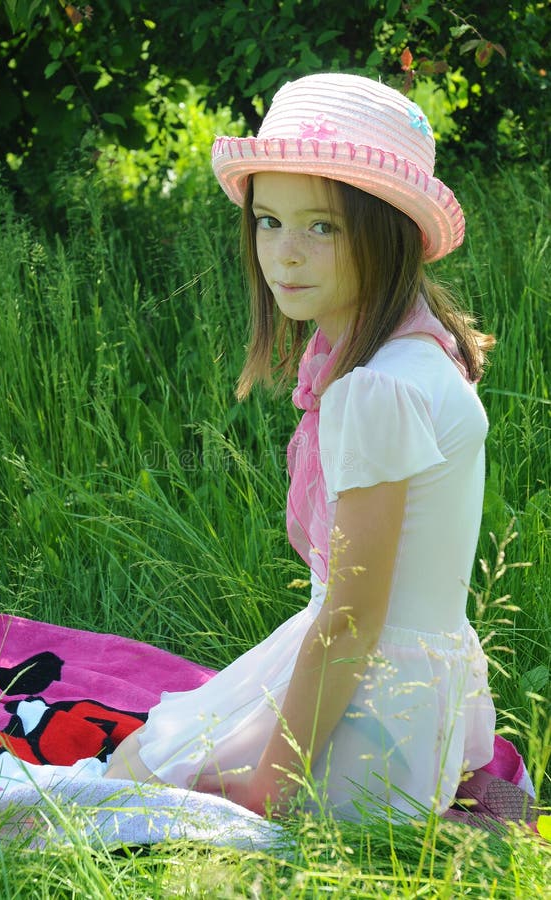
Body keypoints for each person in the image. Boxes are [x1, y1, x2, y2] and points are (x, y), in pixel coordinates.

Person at [106, 73, 498, 821]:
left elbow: (351, 618)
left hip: (376, 706)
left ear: (387, 233)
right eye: (269, 221)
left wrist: (270, 789)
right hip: (422, 695)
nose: (283, 255)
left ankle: (418, 824)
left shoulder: (374, 391)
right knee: (153, 748)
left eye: (322, 227)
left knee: (132, 780)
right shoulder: (428, 348)